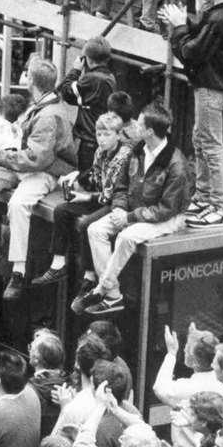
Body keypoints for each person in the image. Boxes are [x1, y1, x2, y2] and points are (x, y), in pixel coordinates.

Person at [0, 58, 77, 301]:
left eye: (26, 74)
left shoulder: (49, 114)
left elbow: (37, 160)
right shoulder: (42, 104)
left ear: (32, 80)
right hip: (22, 164)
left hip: (45, 171)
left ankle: (18, 272)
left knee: (18, 204)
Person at [75, 103, 190, 315]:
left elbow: (167, 209)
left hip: (165, 217)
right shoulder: (137, 149)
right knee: (95, 229)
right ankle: (113, 295)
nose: (135, 125)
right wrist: (119, 209)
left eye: (140, 123)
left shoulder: (176, 164)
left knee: (126, 237)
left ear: (150, 131)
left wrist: (128, 217)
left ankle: (102, 288)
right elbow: (121, 186)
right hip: (132, 211)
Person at [165, 0, 223, 226]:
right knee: (201, 140)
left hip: (211, 88)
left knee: (210, 144)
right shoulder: (220, 14)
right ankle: (204, 195)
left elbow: (192, 51)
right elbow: (195, 40)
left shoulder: (221, 17)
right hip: (207, 86)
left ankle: (219, 205)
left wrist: (178, 27)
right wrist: (182, 24)